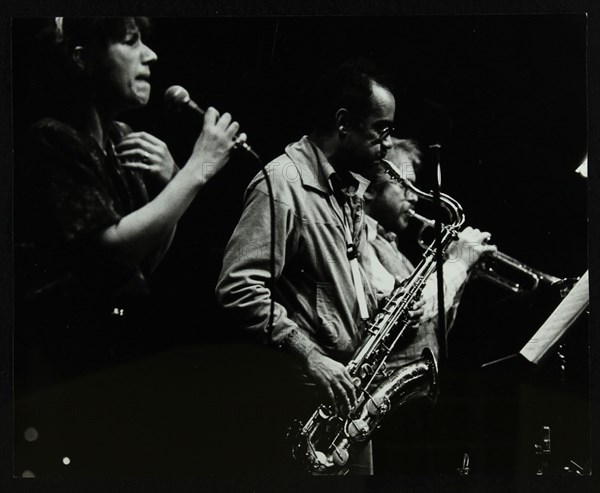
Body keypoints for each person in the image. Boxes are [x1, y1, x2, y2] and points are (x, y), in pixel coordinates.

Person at [14, 17, 244, 475]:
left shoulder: (119, 141)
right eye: (130, 41)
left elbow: (141, 261)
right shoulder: (51, 138)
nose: (151, 55)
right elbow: (112, 251)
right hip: (64, 368)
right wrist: (196, 171)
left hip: (115, 357)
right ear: (81, 57)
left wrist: (172, 179)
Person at [215, 60, 424, 475]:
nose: (387, 144)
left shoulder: (348, 187)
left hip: (345, 395)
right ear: (344, 122)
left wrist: (381, 303)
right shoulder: (282, 182)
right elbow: (237, 287)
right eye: (381, 129)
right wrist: (308, 354)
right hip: (303, 399)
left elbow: (332, 280)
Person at [362, 138, 496, 473]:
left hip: (412, 402)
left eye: (413, 186)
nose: (412, 196)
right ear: (368, 190)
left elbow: (432, 326)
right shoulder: (363, 244)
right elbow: (410, 308)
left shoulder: (397, 251)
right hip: (385, 409)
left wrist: (462, 274)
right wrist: (459, 261)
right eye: (401, 185)